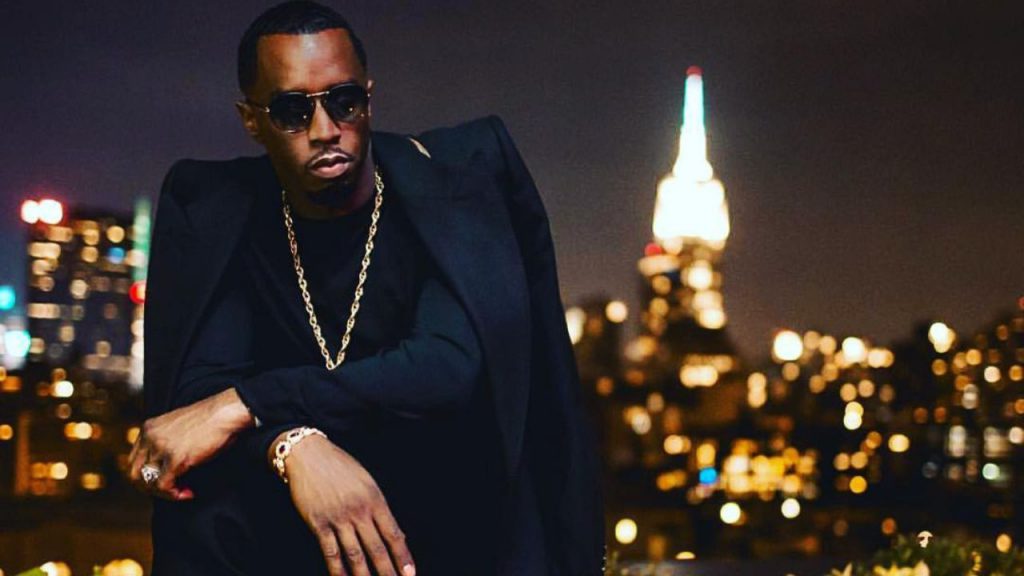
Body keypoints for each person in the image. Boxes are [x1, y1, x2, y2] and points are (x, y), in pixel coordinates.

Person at [128, 2, 605, 575]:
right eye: (292, 110)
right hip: (295, 524)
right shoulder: (222, 213)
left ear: (369, 99)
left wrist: (246, 404)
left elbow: (444, 368)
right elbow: (202, 388)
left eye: (344, 101)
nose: (325, 129)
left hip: (454, 514)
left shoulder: (452, 190)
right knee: (206, 517)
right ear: (251, 120)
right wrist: (294, 445)